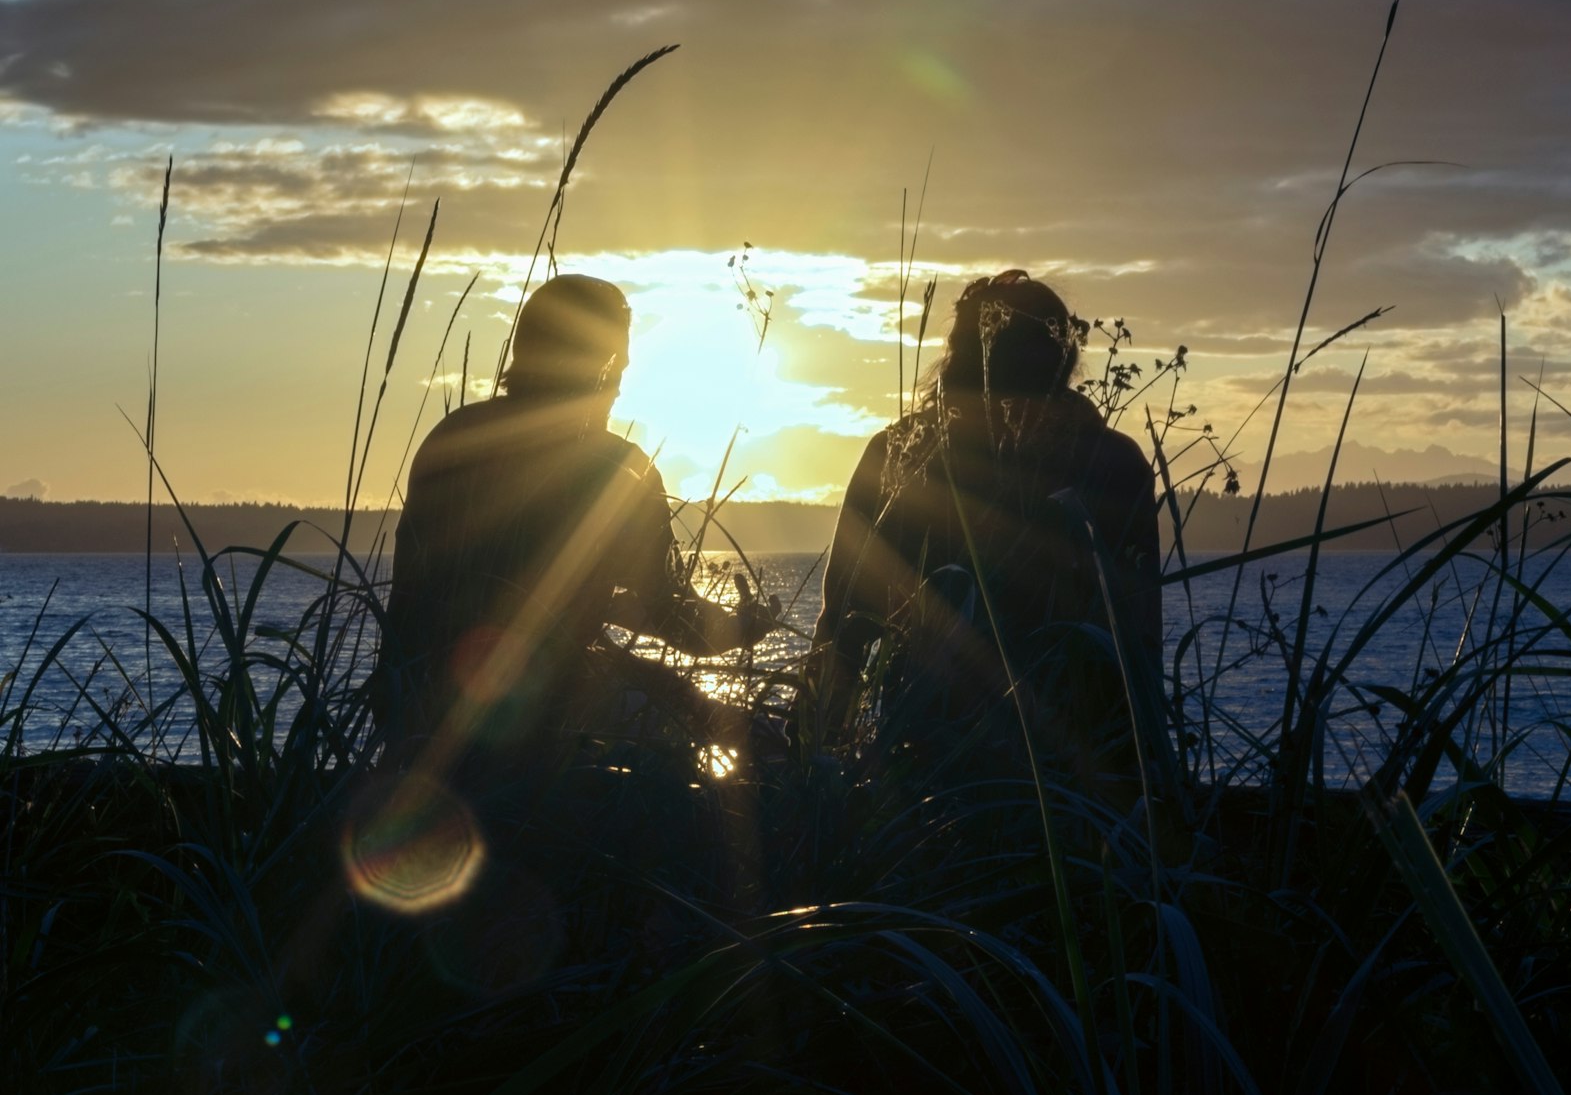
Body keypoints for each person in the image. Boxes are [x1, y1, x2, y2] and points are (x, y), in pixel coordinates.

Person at [374, 274, 778, 785]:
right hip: (540, 730)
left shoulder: (450, 438)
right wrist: (744, 628)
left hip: (410, 710)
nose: (620, 383)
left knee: (674, 699)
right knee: (736, 746)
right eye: (618, 365)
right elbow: (668, 614)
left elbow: (451, 607)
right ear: (599, 364)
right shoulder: (620, 469)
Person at [807, 271, 1162, 779]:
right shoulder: (1113, 465)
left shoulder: (898, 455)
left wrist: (821, 763)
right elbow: (1139, 652)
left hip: (923, 768)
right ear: (1063, 360)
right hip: (1077, 779)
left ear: (956, 356)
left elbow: (842, 627)